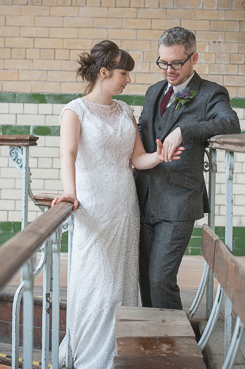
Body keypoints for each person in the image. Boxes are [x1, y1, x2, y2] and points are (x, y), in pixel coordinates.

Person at [52, 40, 183, 369]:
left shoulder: (125, 110)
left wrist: (161, 155)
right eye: (124, 73)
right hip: (93, 208)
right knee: (99, 287)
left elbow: (138, 159)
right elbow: (67, 155)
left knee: (122, 286)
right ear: (104, 72)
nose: (128, 79)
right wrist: (70, 193)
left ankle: (116, 355)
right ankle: (88, 358)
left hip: (125, 207)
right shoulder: (74, 110)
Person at [135, 27, 241, 310]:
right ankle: (152, 338)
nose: (168, 70)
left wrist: (185, 129)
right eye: (163, 62)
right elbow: (144, 132)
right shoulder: (153, 91)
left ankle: (172, 343)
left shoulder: (210, 93)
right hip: (142, 195)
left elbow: (231, 124)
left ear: (194, 58)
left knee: (160, 278)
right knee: (145, 277)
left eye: (176, 63)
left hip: (178, 201)